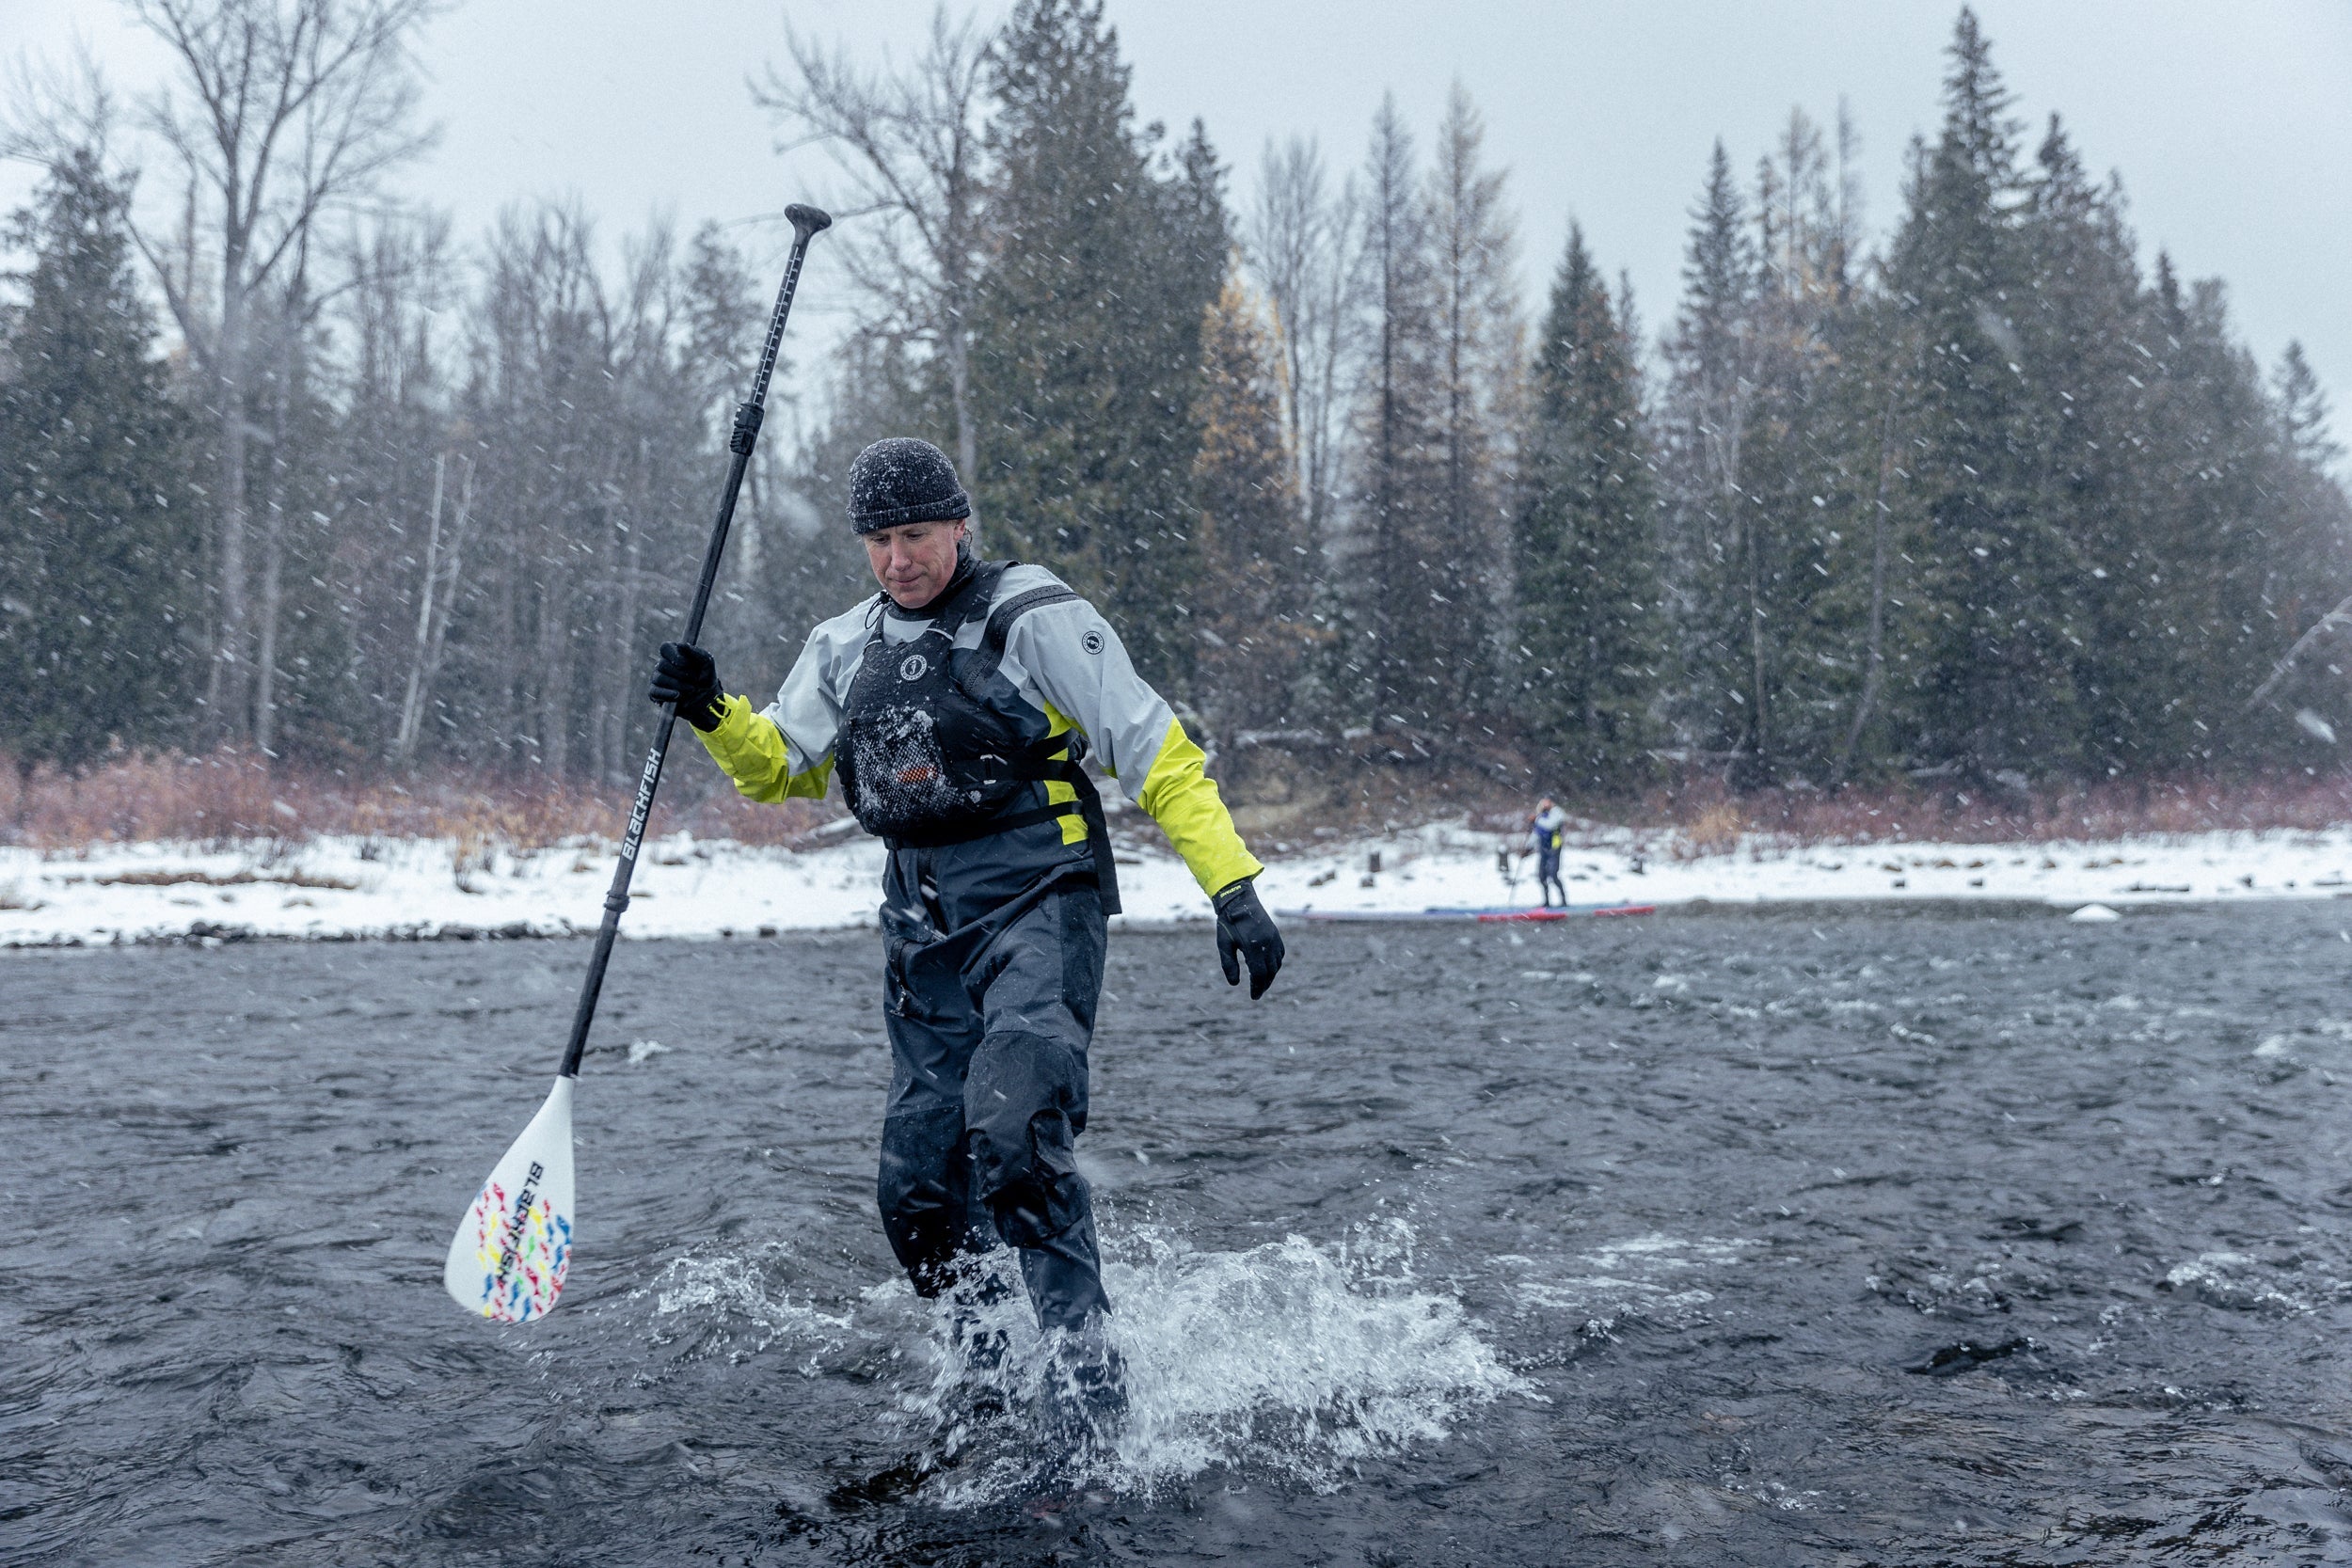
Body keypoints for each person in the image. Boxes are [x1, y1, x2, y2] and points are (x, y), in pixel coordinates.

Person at [647, 436, 1283, 1433]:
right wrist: (711, 708)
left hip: (1040, 897)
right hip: (921, 924)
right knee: (916, 1189)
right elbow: (781, 766)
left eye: (916, 534)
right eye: (879, 540)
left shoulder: (1032, 615)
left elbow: (1151, 747)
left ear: (958, 527)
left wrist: (1231, 884)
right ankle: (979, 1373)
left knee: (1014, 1132)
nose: (899, 558)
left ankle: (1086, 1384)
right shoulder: (844, 643)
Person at [1529, 796, 1568, 909]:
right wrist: (1528, 848)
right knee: (1542, 875)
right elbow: (1536, 833)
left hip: (1554, 847)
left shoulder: (1557, 813)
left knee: (1553, 874)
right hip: (1543, 848)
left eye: (1547, 802)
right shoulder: (1541, 817)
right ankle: (1546, 901)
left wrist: (1536, 819)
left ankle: (1563, 901)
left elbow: (1550, 825)